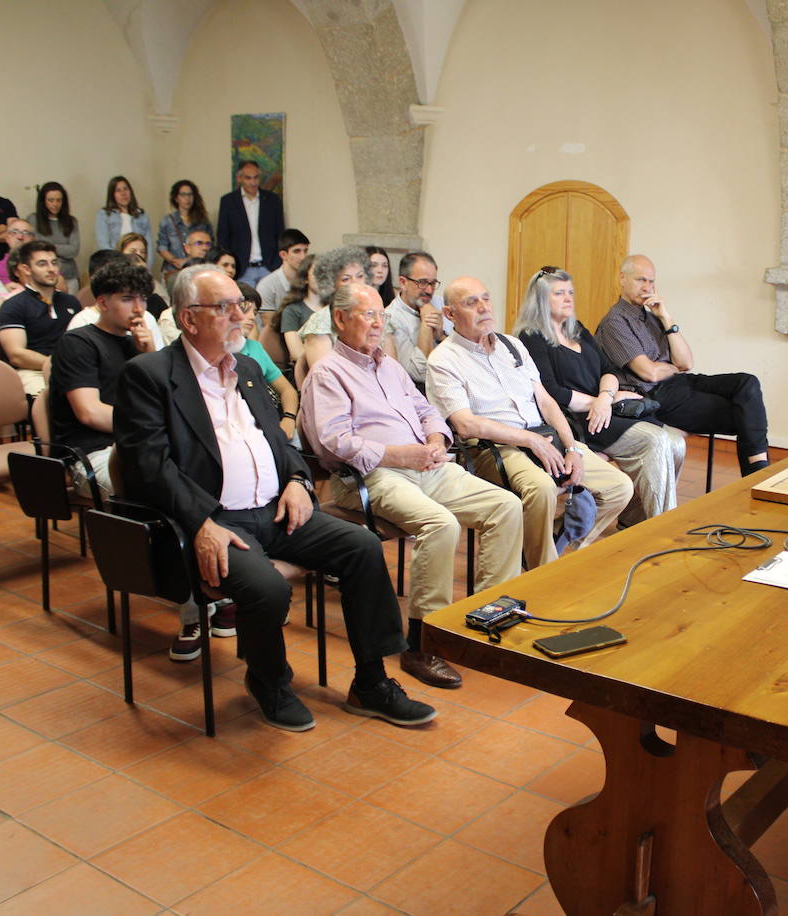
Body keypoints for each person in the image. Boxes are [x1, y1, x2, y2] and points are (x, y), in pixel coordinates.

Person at [114, 264, 434, 731]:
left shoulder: (244, 367)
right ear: (188, 319)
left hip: (275, 509)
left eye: (240, 307)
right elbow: (149, 467)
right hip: (213, 521)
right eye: (223, 308)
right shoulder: (150, 375)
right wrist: (203, 523)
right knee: (267, 587)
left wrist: (299, 483)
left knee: (362, 548)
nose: (240, 317)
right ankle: (269, 682)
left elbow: (279, 440)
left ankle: (371, 682)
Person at [303, 283, 524, 688]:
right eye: (368, 315)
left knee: (506, 505)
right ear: (339, 319)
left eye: (380, 316)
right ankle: (423, 643)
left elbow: (425, 409)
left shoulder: (389, 365)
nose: (376, 324)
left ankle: (487, 617)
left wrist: (437, 439)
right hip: (368, 476)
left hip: (426, 464)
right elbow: (334, 442)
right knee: (441, 524)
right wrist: (401, 454)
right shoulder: (328, 374)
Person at [427, 276, 633, 570]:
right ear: (450, 314)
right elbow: (466, 425)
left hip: (544, 437)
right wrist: (529, 440)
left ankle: (552, 549)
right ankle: (543, 573)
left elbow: (547, 402)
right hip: (494, 448)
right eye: (471, 303)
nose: (484, 308)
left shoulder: (511, 346)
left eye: (486, 298)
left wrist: (573, 447)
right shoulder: (444, 359)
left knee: (619, 487)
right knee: (541, 489)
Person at [515, 267, 684, 525]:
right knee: (657, 441)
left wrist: (605, 398)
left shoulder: (577, 329)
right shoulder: (531, 337)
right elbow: (551, 392)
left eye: (570, 292)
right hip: (575, 420)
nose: (568, 298)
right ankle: (663, 528)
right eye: (559, 293)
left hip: (603, 412)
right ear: (540, 299)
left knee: (677, 443)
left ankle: (634, 519)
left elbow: (610, 370)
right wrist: (599, 403)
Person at [596, 254, 769, 476]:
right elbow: (649, 373)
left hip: (679, 382)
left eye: (651, 281)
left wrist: (666, 318)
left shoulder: (651, 318)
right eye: (641, 280)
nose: (647, 287)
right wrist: (674, 367)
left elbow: (686, 362)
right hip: (656, 396)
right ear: (622, 278)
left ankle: (757, 471)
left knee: (747, 383)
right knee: (745, 413)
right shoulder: (615, 322)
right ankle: (757, 473)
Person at [49, 260, 156, 496]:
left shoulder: (137, 344)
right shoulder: (78, 343)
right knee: (158, 489)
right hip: (91, 453)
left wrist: (149, 354)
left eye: (143, 299)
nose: (139, 309)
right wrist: (152, 426)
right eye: (128, 299)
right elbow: (90, 412)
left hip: (138, 443)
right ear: (102, 302)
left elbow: (161, 398)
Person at [0, 240, 82, 396]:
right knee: (52, 398)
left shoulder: (71, 301)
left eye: (54, 263)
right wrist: (56, 365)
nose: (51, 269)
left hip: (72, 368)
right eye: (42, 264)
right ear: (26, 269)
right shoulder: (13, 306)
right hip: (33, 371)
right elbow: (16, 355)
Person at [298, 247, 392, 370]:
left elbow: (390, 366)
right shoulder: (320, 323)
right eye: (346, 279)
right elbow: (324, 374)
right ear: (331, 284)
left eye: (360, 276)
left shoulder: (378, 316)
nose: (355, 283)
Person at [235, 281, 299, 441]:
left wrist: (289, 418)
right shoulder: (217, 353)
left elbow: (287, 390)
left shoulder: (254, 347)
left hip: (268, 419)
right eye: (245, 310)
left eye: (255, 312)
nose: (252, 317)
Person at [386, 251, 449, 387]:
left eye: (432, 283)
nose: (429, 290)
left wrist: (440, 336)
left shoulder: (441, 304)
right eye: (422, 282)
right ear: (403, 282)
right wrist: (426, 323)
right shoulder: (391, 318)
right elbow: (419, 374)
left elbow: (462, 357)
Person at [216, 160, 284, 285]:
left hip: (268, 267)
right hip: (242, 268)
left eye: (256, 177)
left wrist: (276, 263)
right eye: (248, 178)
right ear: (239, 178)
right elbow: (223, 237)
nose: (253, 182)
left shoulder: (272, 200)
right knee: (245, 303)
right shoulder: (228, 202)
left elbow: (280, 234)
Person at [27, 182, 81, 293]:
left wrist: (47, 246)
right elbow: (36, 247)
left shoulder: (71, 221)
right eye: (51, 200)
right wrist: (62, 248)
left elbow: (73, 250)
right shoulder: (33, 219)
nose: (55, 204)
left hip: (69, 276)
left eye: (59, 200)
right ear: (43, 201)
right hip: (43, 277)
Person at [156, 180, 211, 277]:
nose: (187, 198)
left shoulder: (202, 220)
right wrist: (175, 261)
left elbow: (210, 244)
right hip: (173, 269)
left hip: (197, 268)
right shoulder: (168, 221)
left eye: (190, 195)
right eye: (183, 195)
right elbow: (162, 246)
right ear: (176, 198)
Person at [94, 176, 152, 267]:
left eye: (126, 189)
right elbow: (103, 244)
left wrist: (146, 266)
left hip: (139, 264)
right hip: (115, 264)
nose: (123, 193)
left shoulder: (142, 215)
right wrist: (117, 264)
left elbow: (149, 246)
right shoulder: (104, 214)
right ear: (112, 194)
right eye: (118, 190)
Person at [274, 255, 320, 367]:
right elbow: (297, 353)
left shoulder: (336, 307)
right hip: (308, 369)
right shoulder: (292, 310)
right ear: (305, 278)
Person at [256, 229, 311, 313]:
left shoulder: (311, 280)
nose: (303, 257)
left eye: (305, 251)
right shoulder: (267, 286)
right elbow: (268, 324)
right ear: (283, 255)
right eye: (297, 251)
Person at [0, 218, 35, 285]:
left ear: (33, 239)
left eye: (25, 233)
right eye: (14, 232)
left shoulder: (43, 262)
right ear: (7, 238)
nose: (20, 237)